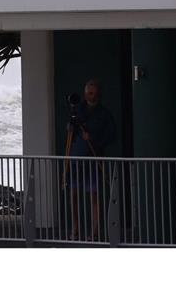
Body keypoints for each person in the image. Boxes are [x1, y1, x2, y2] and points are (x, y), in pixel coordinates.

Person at [67, 78, 116, 241]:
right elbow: (70, 134)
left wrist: (93, 139)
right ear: (85, 94)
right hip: (76, 158)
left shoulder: (105, 114)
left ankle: (94, 232)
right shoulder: (77, 111)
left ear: (99, 94)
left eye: (95, 93)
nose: (92, 96)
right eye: (89, 93)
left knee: (94, 196)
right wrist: (71, 128)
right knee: (73, 194)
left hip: (94, 158)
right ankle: (75, 230)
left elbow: (111, 136)